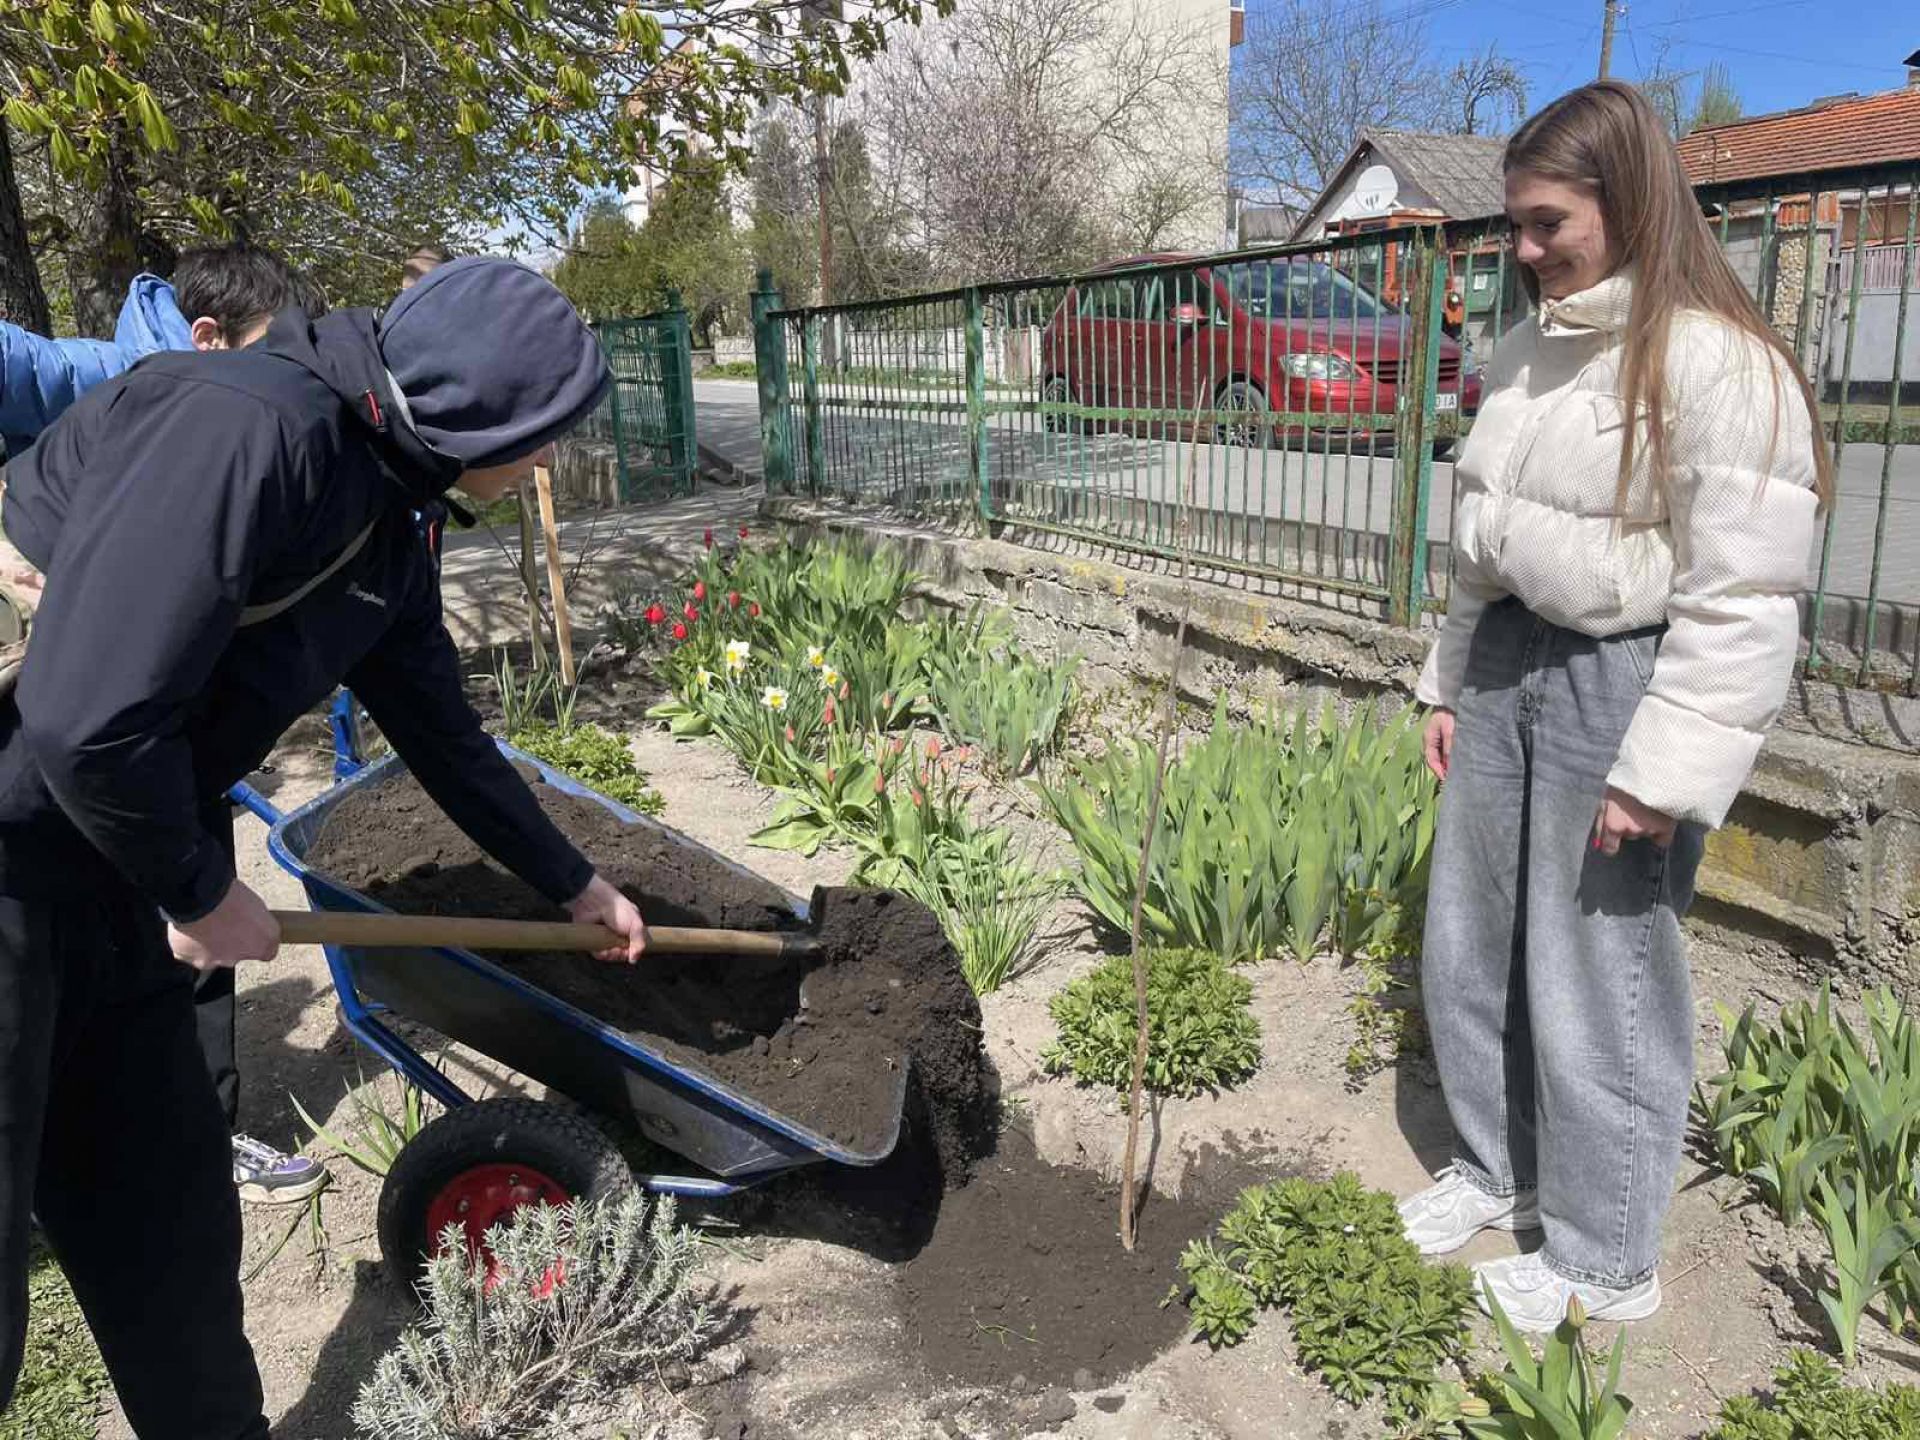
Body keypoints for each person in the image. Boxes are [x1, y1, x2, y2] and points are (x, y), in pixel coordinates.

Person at [0, 255, 649, 1438]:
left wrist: (572, 883)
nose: (548, 458)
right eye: (543, 430)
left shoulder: (390, 507)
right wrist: (202, 890)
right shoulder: (247, 428)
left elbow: (439, 727)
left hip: (107, 861)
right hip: (18, 849)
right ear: (475, 411)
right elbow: (81, 719)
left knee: (167, 1224)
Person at [1398, 80, 1827, 1333]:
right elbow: (1479, 541)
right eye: (1516, 226)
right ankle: (1498, 1169)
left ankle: (1604, 1255)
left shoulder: (1721, 365)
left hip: (1620, 684)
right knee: (1471, 936)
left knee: (1600, 969)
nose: (1525, 251)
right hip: (1503, 665)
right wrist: (1448, 681)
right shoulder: (1528, 349)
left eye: (1549, 224)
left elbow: (1745, 602)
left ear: (1630, 205)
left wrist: (1661, 773)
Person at [0, 241, 334, 1208]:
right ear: (208, 336)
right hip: (56, 719)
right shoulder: (99, 376)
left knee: (190, 896)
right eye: (275, 356)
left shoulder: (249, 422)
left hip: (153, 717)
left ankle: (200, 1132)